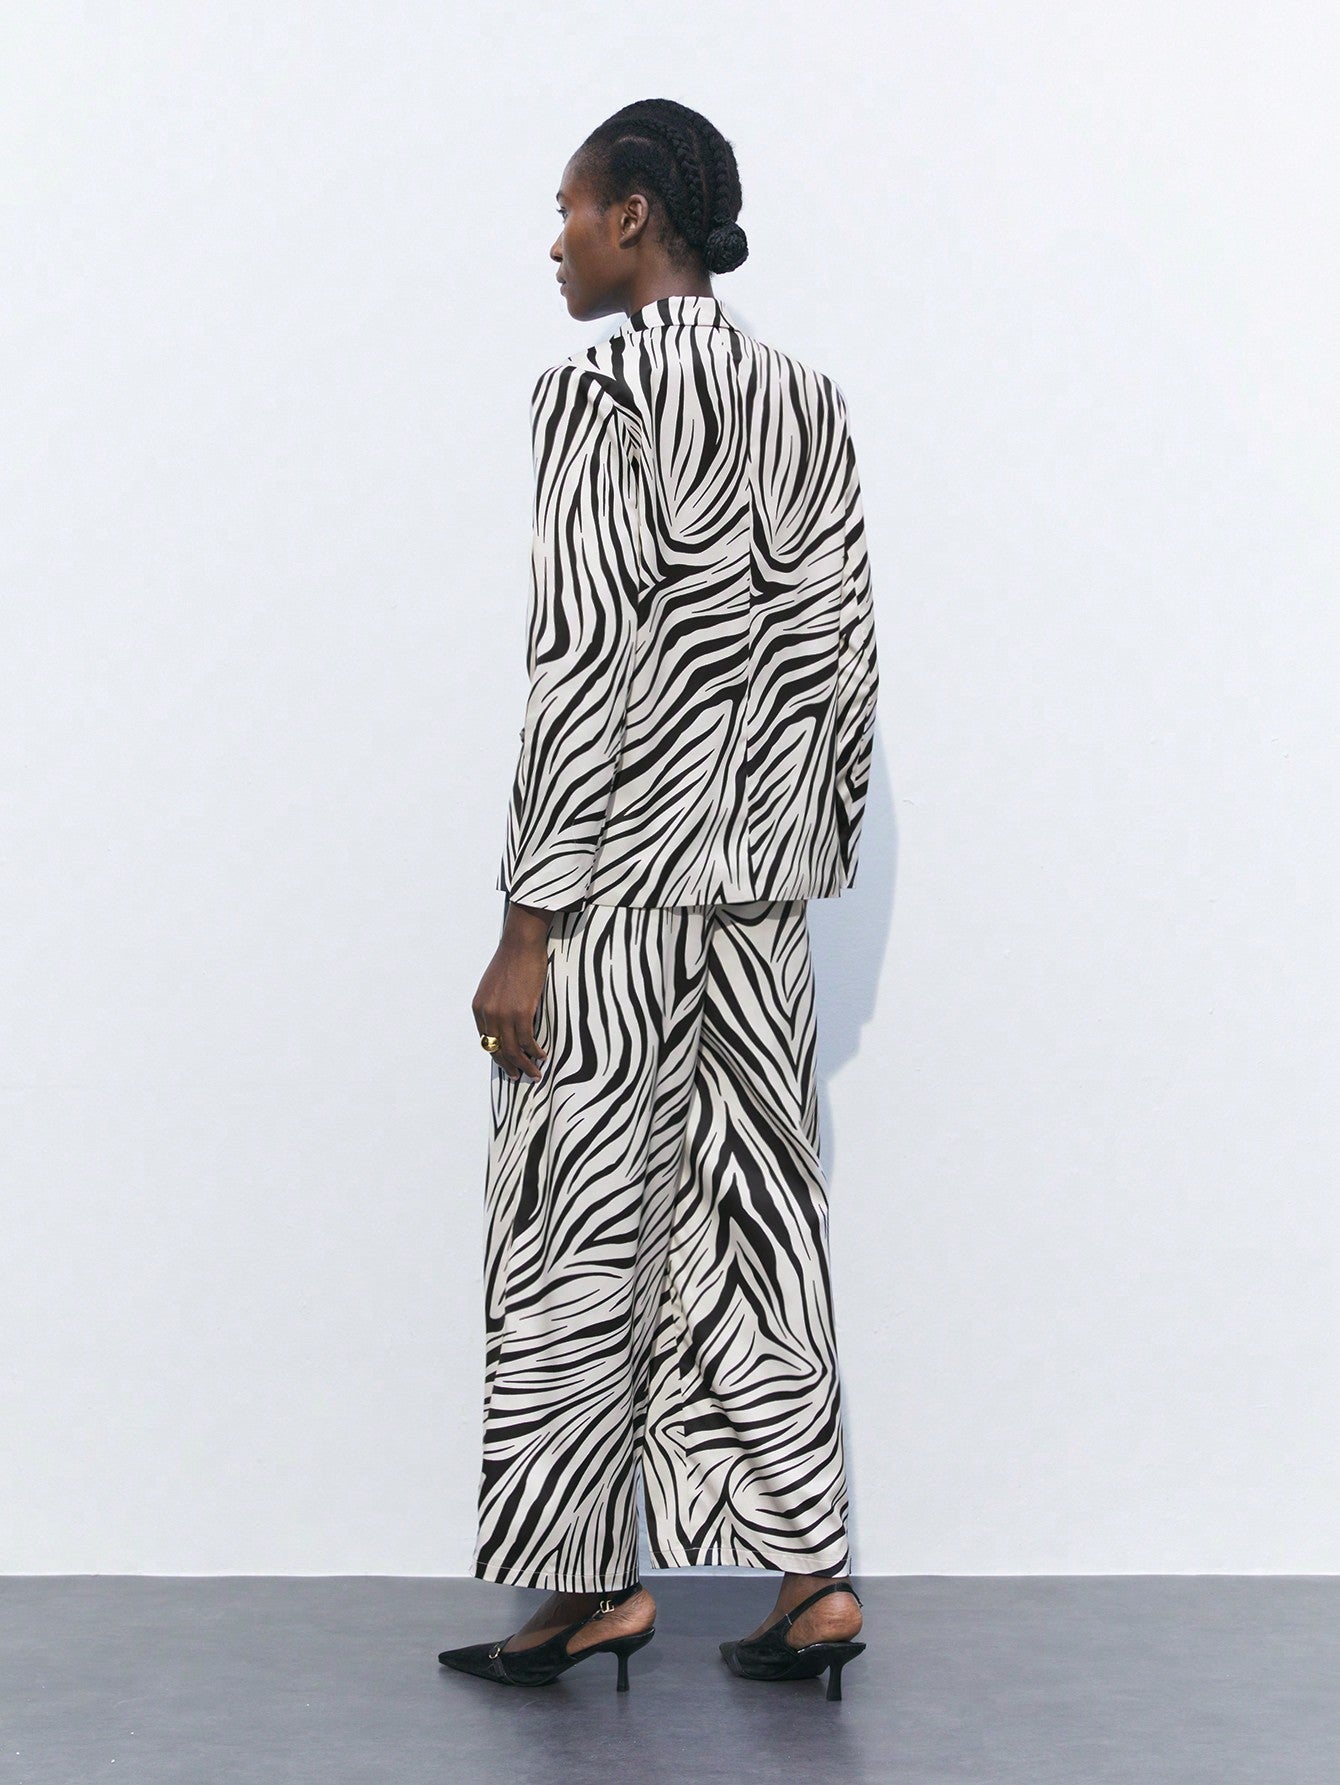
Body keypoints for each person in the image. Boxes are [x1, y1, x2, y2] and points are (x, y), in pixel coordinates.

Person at [437, 97, 879, 1702]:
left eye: (569, 210)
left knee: (577, 1224)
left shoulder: (596, 395)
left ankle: (591, 1585)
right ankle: (813, 1582)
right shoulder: (806, 399)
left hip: (615, 892)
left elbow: (580, 664)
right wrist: (791, 858)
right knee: (756, 1220)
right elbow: (843, 654)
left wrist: (526, 924)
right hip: (756, 898)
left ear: (634, 217)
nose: (554, 243)